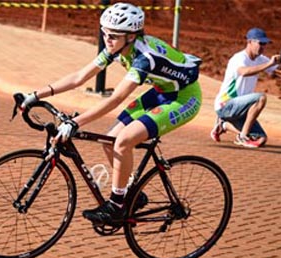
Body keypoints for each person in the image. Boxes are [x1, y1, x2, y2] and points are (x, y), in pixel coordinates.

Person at [19, 3, 202, 226]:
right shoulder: (116, 48)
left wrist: (75, 123)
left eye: (113, 35)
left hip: (184, 99)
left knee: (124, 140)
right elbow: (79, 77)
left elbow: (115, 99)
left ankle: (116, 206)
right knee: (110, 140)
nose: (107, 39)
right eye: (104, 33)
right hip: (162, 92)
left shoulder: (144, 58)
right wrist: (35, 95)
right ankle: (133, 195)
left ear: (131, 36)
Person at [211, 27, 281, 148]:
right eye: (260, 43)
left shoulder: (261, 59)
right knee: (260, 98)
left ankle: (222, 126)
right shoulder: (239, 58)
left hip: (241, 109)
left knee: (261, 139)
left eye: (264, 44)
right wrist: (269, 64)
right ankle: (242, 137)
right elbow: (244, 72)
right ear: (249, 42)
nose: (262, 47)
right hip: (226, 105)